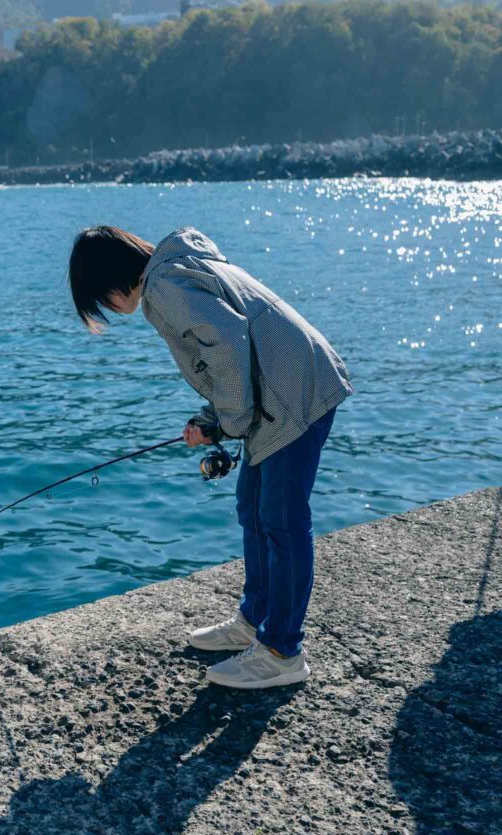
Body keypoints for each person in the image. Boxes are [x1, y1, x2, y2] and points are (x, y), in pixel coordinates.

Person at [67, 225, 353, 689]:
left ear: (111, 283)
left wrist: (227, 423)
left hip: (294, 394)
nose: (111, 310)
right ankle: (254, 619)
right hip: (285, 387)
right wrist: (213, 417)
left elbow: (228, 345)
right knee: (253, 508)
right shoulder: (179, 267)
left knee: (280, 519)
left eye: (102, 301)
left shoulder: (165, 288)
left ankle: (282, 650)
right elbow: (229, 353)